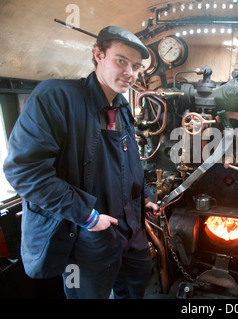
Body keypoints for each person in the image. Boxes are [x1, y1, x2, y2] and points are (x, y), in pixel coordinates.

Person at [3, 26, 161, 299]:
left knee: (137, 285)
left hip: (131, 228)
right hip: (88, 232)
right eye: (121, 61)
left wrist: (145, 196)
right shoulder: (56, 97)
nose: (130, 73)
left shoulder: (122, 108)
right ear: (98, 54)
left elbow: (130, 163)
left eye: (136, 66)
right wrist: (89, 218)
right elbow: (25, 172)